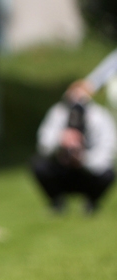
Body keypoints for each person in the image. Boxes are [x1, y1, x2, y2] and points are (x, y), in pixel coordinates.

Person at [31, 79, 116, 214]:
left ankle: (91, 202)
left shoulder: (101, 117)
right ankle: (57, 201)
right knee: (39, 165)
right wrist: (60, 142)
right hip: (61, 170)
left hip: (88, 173)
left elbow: (107, 152)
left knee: (107, 174)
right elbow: (43, 145)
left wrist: (83, 159)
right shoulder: (57, 113)